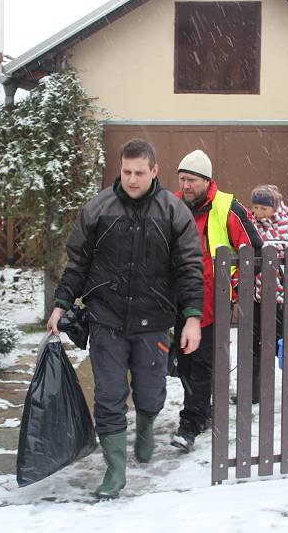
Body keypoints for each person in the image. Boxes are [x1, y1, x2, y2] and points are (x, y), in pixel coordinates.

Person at [46, 139, 203, 500]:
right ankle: (115, 470)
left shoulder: (173, 212)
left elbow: (190, 269)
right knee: (109, 395)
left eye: (139, 173)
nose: (132, 180)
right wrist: (61, 303)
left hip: (154, 320)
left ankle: (146, 425)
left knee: (150, 391)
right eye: (126, 172)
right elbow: (79, 262)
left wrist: (192, 317)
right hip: (107, 319)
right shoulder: (99, 208)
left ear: (154, 171)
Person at [171, 149, 263, 452]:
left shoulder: (228, 207)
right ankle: (202, 411)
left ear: (206, 180)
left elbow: (255, 252)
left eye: (192, 180)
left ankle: (191, 423)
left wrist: (233, 285)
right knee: (183, 362)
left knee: (202, 363)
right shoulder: (171, 205)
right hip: (178, 301)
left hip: (214, 303)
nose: (185, 186)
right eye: (182, 179)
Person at [245, 185, 288, 403]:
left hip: (283, 298)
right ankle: (253, 392)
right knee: (254, 346)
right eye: (255, 207)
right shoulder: (250, 226)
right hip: (257, 296)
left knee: (285, 344)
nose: (258, 212)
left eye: (263, 208)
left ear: (275, 207)